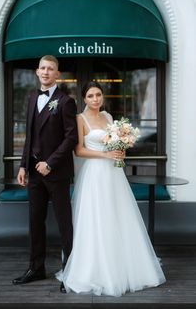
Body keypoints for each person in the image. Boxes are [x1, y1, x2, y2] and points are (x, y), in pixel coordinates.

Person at [56, 81, 166, 297]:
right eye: (90, 96)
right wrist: (105, 155)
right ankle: (96, 269)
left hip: (114, 174)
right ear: (84, 99)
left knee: (118, 215)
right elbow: (79, 150)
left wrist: (119, 150)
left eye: (98, 95)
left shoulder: (108, 117)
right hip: (95, 174)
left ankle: (124, 267)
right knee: (97, 217)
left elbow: (114, 142)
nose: (95, 99)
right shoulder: (80, 119)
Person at [12, 55, 78, 293]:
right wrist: (22, 166)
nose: (46, 72)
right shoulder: (31, 98)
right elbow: (30, 136)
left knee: (64, 224)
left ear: (57, 74)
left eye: (51, 69)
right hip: (34, 174)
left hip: (57, 173)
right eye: (43, 68)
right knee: (35, 222)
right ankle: (36, 268)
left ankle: (70, 273)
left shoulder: (66, 101)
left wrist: (50, 163)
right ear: (37, 72)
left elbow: (72, 137)